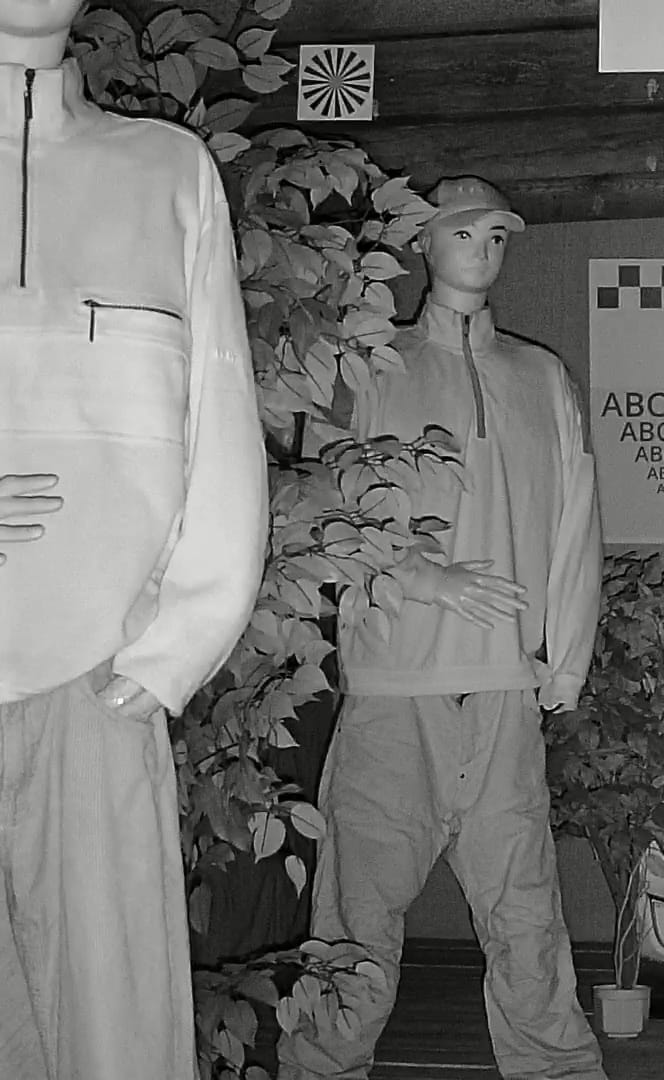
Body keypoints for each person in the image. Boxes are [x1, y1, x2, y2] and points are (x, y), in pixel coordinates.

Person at [278, 176, 607, 1080]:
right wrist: (421, 576)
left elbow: (577, 525)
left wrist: (565, 664)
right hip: (396, 687)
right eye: (465, 233)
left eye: (498, 236)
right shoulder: (369, 363)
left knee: (527, 915)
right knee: (356, 923)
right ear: (423, 242)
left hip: (505, 691)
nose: (484, 250)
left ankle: (557, 1070)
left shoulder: (542, 377)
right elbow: (313, 508)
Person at [0, 0, 270, 1073]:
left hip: (100, 677)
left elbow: (221, 412)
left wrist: (175, 652)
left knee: (112, 1032)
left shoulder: (167, 172)